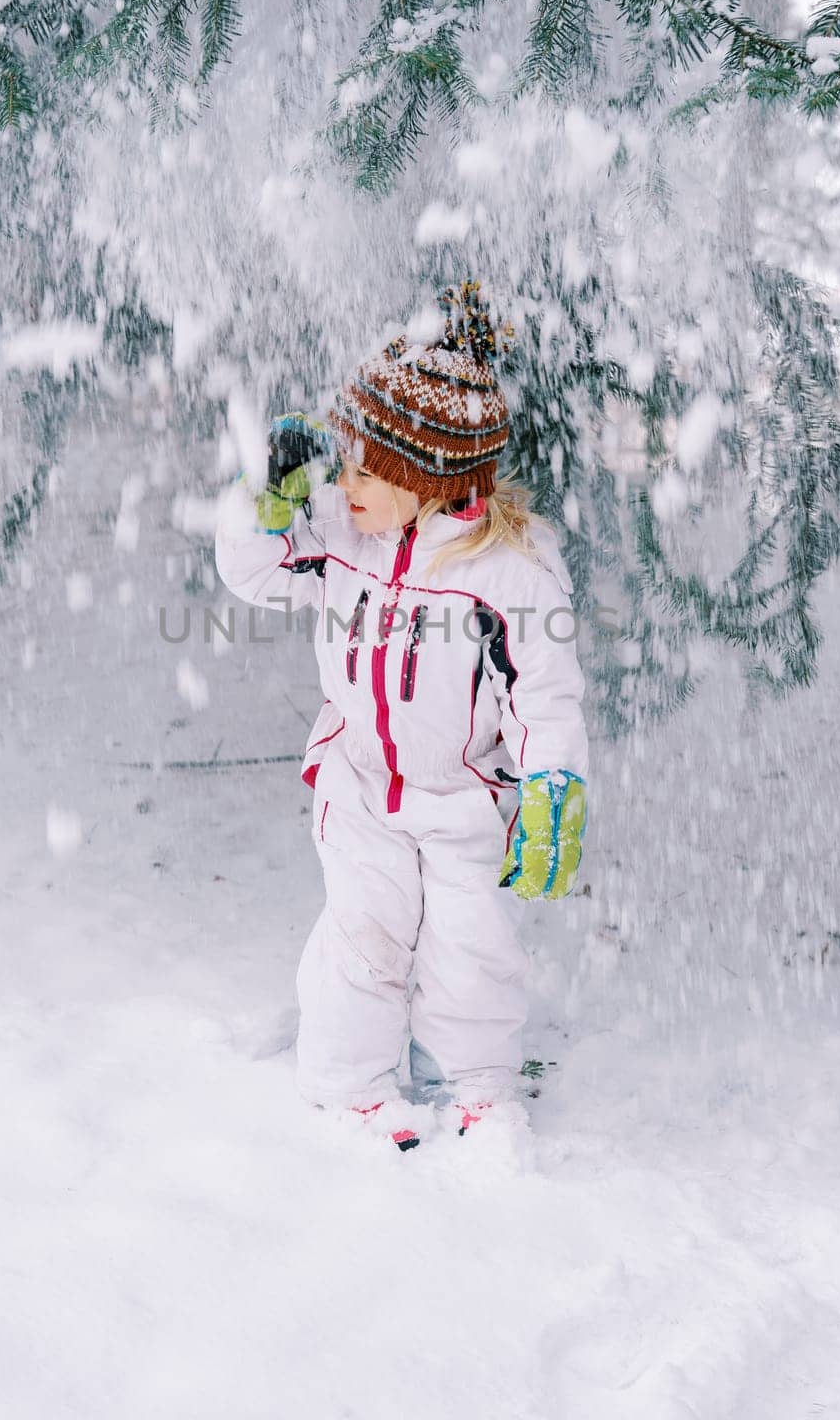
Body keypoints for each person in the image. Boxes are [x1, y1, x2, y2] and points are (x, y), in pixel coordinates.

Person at [214, 282, 588, 1149]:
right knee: (367, 933)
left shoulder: (511, 576)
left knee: (470, 944)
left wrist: (551, 782)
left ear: (425, 480)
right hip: (359, 785)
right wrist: (262, 504)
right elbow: (253, 572)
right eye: (344, 464)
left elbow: (544, 691)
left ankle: (482, 1087)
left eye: (363, 472)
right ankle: (354, 1084)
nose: (343, 484)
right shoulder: (344, 535)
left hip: (464, 797)